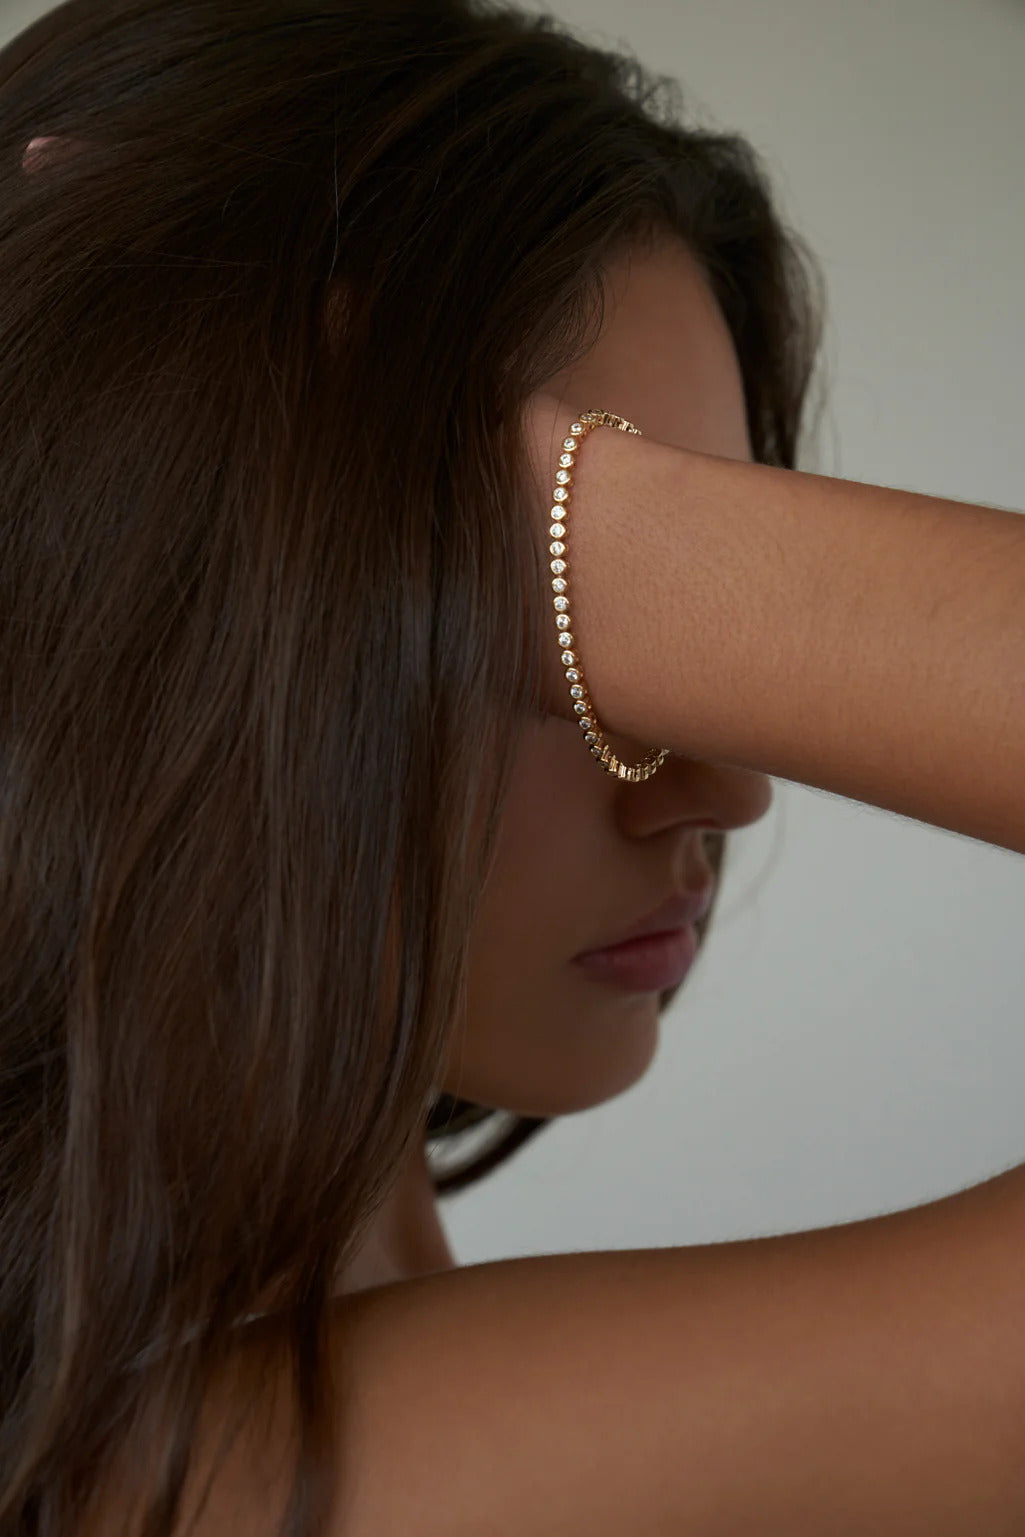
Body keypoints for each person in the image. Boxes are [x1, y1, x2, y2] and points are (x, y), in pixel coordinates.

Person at [1, 1, 1022, 1533]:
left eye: (739, 543)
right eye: (534, 628)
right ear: (139, 612)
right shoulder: (205, 1484)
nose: (728, 788)